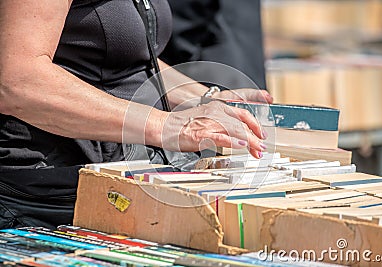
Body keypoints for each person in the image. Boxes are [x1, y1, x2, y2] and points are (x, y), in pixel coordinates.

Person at [0, 0, 272, 229]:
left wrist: (205, 98)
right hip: (43, 195)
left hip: (118, 178)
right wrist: (168, 125)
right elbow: (16, 82)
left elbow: (131, 61)